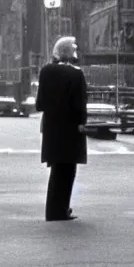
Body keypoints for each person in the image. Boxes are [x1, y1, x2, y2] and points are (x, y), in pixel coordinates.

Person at [36, 36, 88, 222]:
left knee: (56, 171)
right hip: (70, 130)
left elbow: (40, 103)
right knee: (68, 172)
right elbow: (79, 105)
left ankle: (53, 211)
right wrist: (82, 122)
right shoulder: (76, 74)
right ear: (69, 52)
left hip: (51, 129)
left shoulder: (45, 71)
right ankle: (62, 209)